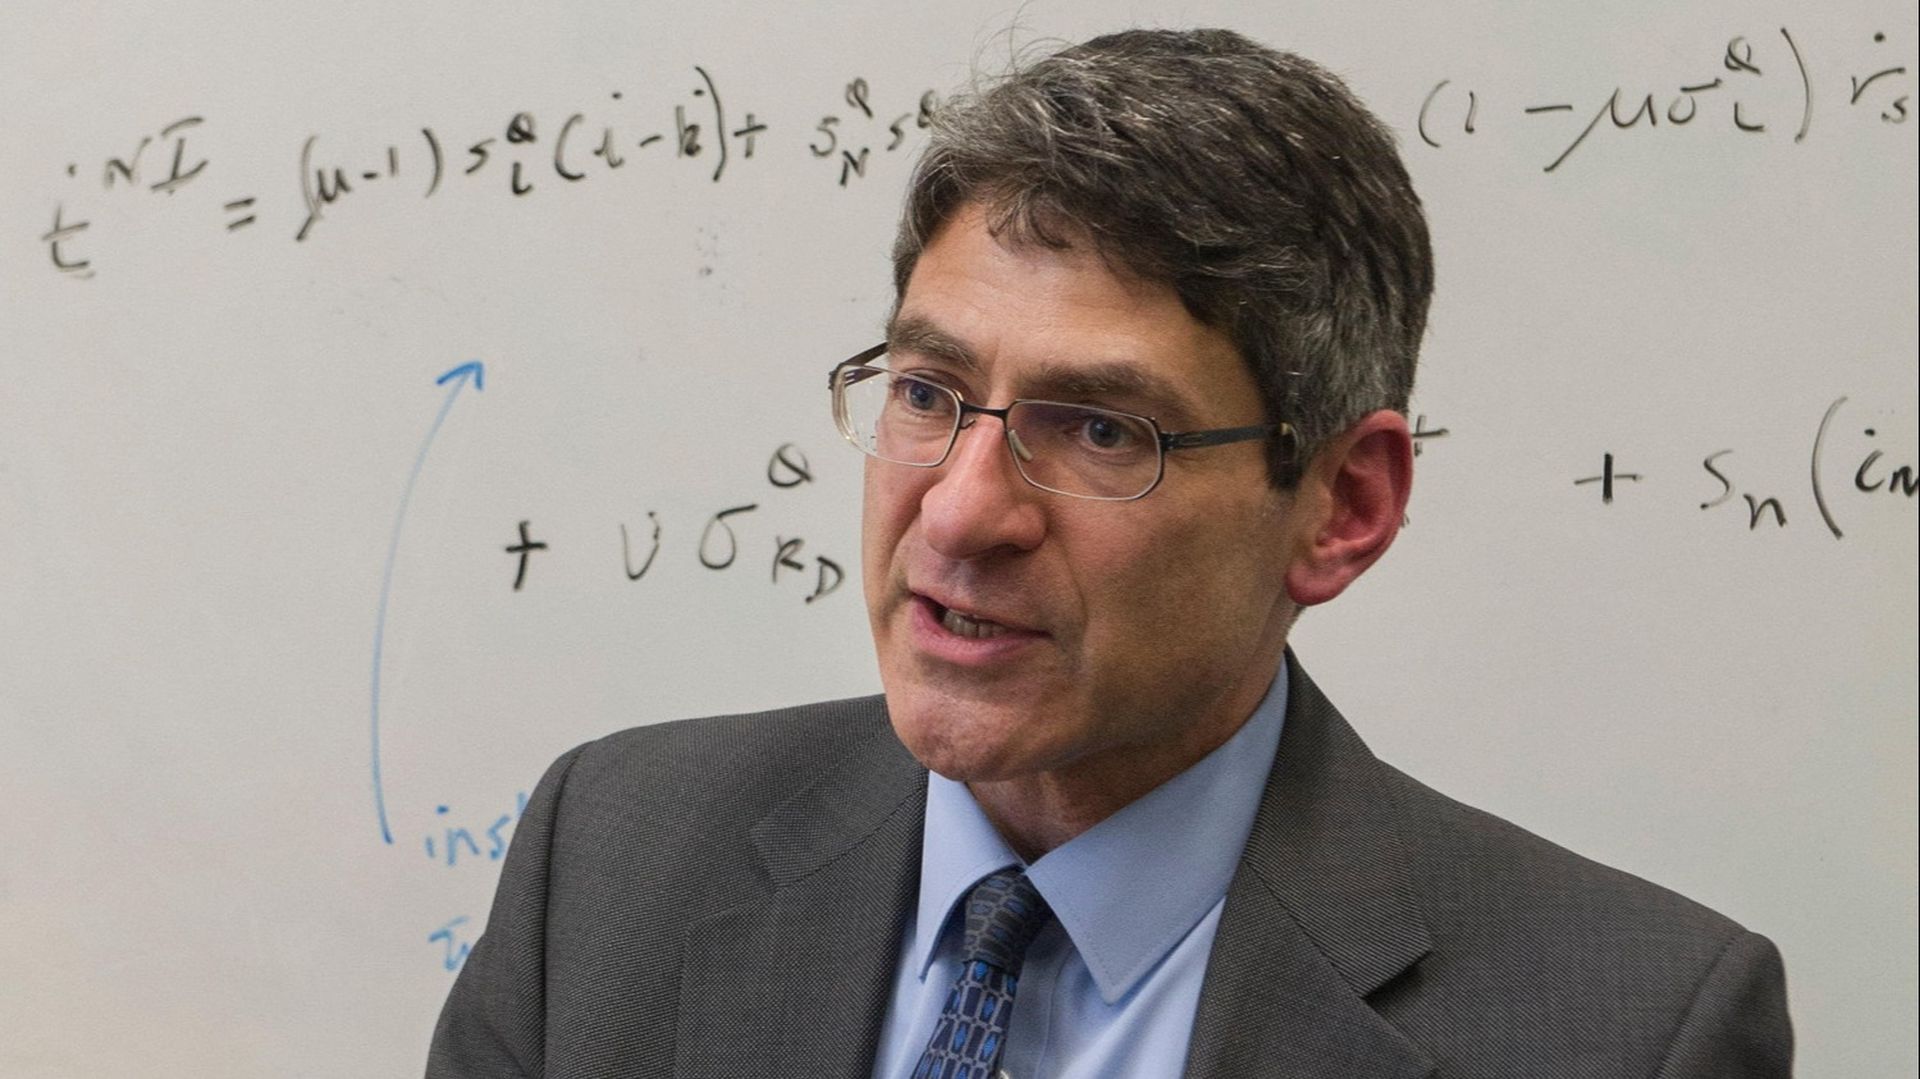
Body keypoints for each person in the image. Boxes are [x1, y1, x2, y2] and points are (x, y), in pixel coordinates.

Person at [428, 28, 1792, 1078]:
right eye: (927, 393)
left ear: (1341, 507)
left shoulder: (1628, 1031)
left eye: (1097, 430)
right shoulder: (610, 863)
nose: (959, 514)